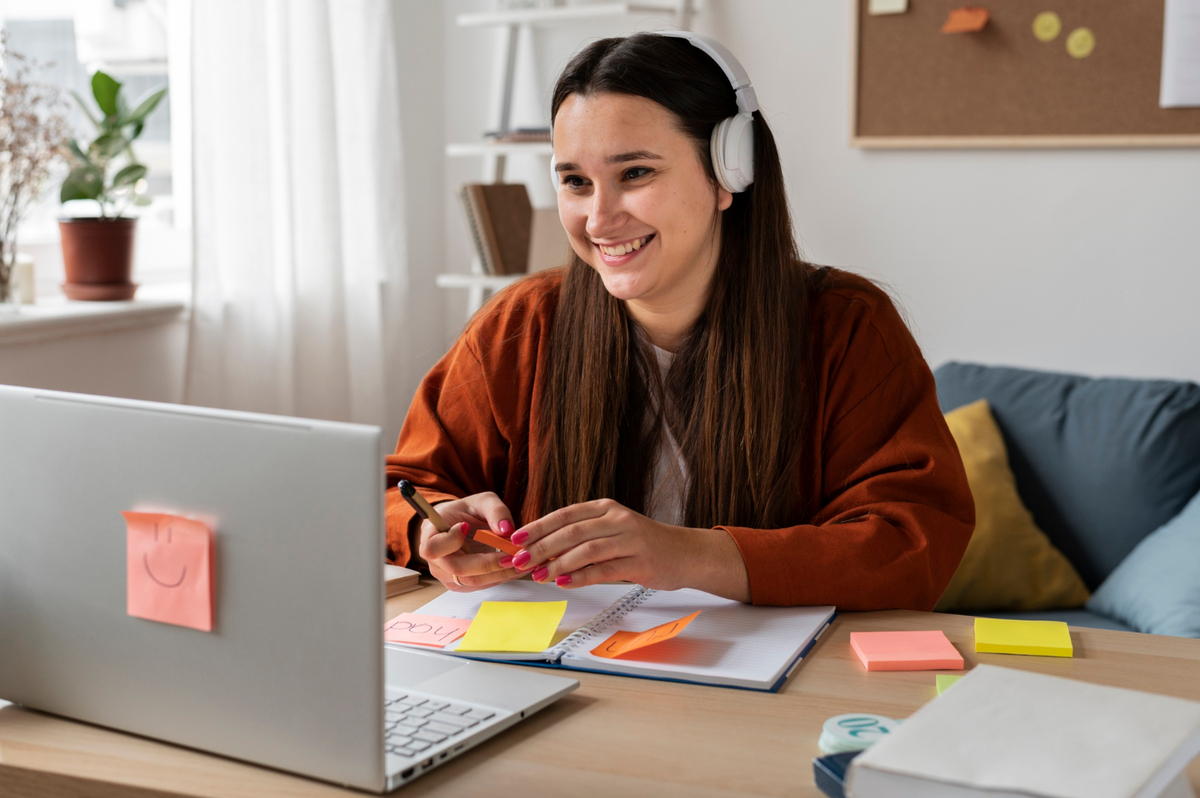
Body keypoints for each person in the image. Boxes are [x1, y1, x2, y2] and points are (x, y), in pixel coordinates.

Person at [385, 32, 974, 610]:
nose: (598, 218)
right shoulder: (522, 323)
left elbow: (914, 540)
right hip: (571, 679)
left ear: (728, 172)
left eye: (635, 173)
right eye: (575, 182)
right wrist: (425, 529)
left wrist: (690, 555)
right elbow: (397, 487)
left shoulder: (847, 326)